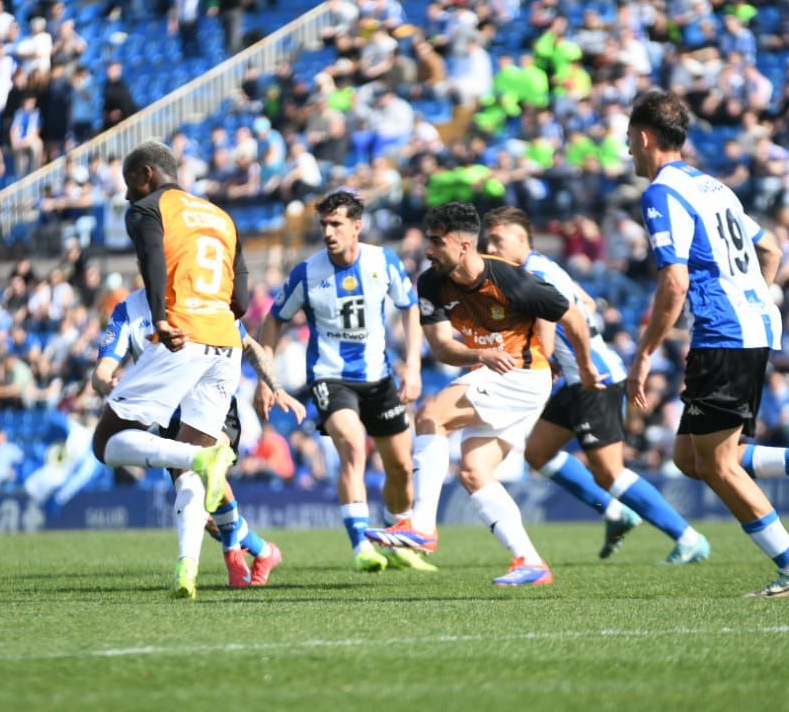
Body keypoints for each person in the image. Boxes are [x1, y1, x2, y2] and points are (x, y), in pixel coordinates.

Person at [624, 91, 789, 599]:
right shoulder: (714, 187)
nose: (629, 153)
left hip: (724, 334)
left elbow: (675, 282)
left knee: (718, 464)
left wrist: (643, 355)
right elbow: (771, 246)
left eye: (629, 142)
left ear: (644, 137)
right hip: (750, 327)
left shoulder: (661, 193)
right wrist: (758, 299)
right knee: (690, 457)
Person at [368, 202, 597, 586]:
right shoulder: (430, 283)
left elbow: (570, 315)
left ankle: (421, 525)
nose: (428, 250)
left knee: (430, 417)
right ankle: (530, 561)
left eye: (436, 243)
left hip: (523, 376)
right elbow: (441, 347)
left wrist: (586, 366)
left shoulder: (509, 279)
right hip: (498, 373)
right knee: (474, 471)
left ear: (463, 246)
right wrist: (480, 354)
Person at [481, 208, 712, 564]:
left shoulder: (533, 272)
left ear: (522, 239)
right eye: (489, 240)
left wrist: (544, 358)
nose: (491, 246)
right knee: (538, 451)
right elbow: (585, 301)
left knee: (609, 472)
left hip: (596, 379)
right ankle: (616, 513)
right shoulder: (544, 266)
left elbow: (547, 316)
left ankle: (687, 536)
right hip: (578, 378)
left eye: (499, 239)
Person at [91, 141, 245, 600]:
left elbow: (154, 261)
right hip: (226, 342)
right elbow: (241, 291)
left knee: (106, 443)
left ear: (145, 174)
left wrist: (160, 316)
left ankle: (201, 458)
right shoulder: (220, 216)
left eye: (128, 186)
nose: (126, 197)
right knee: (189, 466)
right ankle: (187, 569)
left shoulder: (148, 209)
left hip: (184, 334)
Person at [259, 191, 433, 574]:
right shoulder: (307, 272)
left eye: (336, 223)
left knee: (401, 467)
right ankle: (360, 547)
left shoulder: (383, 261)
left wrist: (414, 368)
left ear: (357, 227)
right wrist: (265, 379)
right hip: (330, 377)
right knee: (353, 446)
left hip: (379, 377)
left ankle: (394, 539)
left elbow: (410, 310)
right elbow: (272, 321)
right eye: (323, 224)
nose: (328, 231)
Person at [98, 285, 301, 587]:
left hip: (214, 407)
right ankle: (263, 550)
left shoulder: (204, 299)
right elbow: (102, 369)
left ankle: (230, 558)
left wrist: (274, 384)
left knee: (205, 481)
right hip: (170, 418)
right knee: (206, 518)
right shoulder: (130, 311)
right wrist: (108, 383)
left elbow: (248, 344)